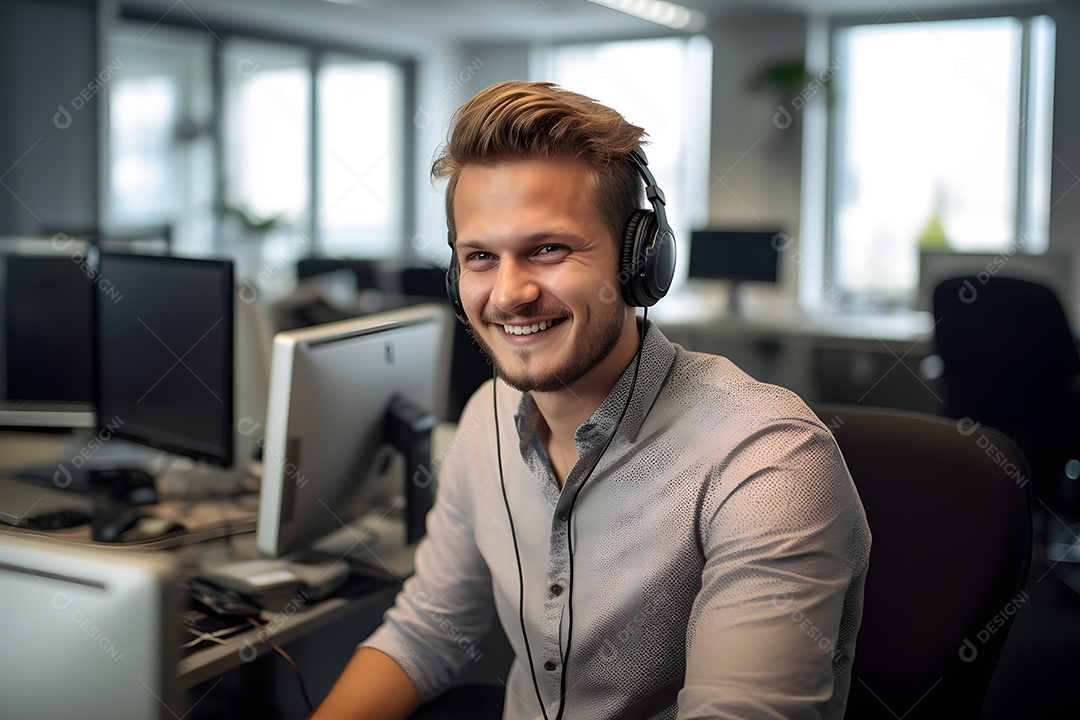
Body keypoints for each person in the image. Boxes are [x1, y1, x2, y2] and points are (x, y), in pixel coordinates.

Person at [312, 80, 871, 720]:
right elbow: (429, 628)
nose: (509, 293)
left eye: (548, 249)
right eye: (480, 257)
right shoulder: (485, 419)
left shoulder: (765, 463)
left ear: (639, 262)